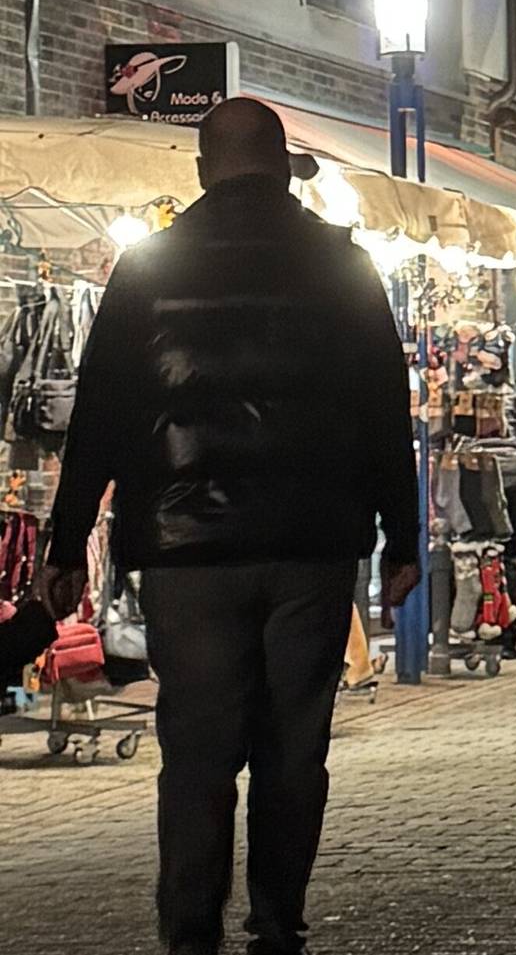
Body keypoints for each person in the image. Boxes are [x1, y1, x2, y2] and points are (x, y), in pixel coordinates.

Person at [33, 98, 420, 955]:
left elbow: (100, 412)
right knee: (294, 746)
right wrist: (404, 534)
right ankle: (278, 923)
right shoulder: (342, 264)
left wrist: (65, 543)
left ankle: (190, 931)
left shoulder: (149, 267)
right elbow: (383, 408)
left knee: (198, 751)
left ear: (204, 169)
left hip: (187, 551)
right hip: (312, 544)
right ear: (284, 167)